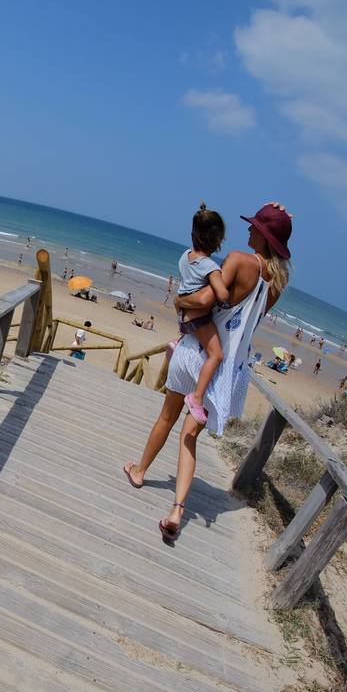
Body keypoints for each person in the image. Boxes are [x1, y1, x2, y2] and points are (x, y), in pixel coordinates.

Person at [124, 202, 293, 542]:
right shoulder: (276, 284)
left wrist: (177, 302)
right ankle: (177, 510)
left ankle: (140, 471)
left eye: (254, 227)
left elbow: (205, 301)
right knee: (189, 436)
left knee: (166, 417)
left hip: (195, 353)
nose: (247, 230)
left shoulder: (237, 260)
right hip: (225, 370)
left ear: (262, 235)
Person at [164, 203, 229, 425]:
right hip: (199, 318)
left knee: (196, 340)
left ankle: (177, 342)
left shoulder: (185, 256)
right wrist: (225, 282)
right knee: (216, 355)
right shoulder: (210, 266)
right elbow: (221, 294)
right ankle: (197, 397)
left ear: (193, 233)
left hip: (184, 315)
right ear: (218, 240)